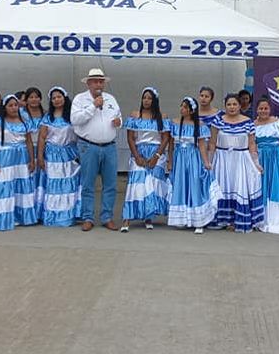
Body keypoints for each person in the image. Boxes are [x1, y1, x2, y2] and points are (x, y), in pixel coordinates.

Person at [71, 68, 122, 231]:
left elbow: (119, 116)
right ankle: (88, 217)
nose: (99, 84)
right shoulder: (80, 99)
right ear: (88, 83)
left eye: (101, 81)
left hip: (109, 146)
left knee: (111, 184)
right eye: (95, 81)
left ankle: (107, 217)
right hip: (88, 146)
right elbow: (75, 120)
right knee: (88, 184)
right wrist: (93, 106)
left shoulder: (111, 99)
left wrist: (118, 122)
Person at [210, 93, 263, 232]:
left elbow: (252, 144)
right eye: (229, 104)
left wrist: (256, 163)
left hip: (241, 160)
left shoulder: (248, 122)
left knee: (238, 188)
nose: (232, 107)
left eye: (234, 104)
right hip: (222, 160)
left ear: (240, 106)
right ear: (225, 106)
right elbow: (212, 142)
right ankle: (222, 219)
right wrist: (209, 162)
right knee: (222, 188)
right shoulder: (218, 121)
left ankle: (235, 220)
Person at [0, 94, 36, 231]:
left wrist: (32, 159)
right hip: (5, 158)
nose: (13, 108)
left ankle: (21, 216)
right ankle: (2, 217)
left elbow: (29, 142)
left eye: (15, 105)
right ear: (4, 107)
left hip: (21, 158)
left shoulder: (24, 121)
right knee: (3, 185)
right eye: (10, 105)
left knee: (20, 185)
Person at [166, 97, 220, 234]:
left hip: (193, 159)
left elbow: (202, 145)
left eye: (185, 107)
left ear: (191, 110)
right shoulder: (174, 123)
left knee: (195, 185)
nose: (182, 109)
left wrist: (206, 162)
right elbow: (171, 145)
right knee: (181, 186)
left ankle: (198, 220)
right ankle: (182, 218)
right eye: (181, 106)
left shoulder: (199, 125)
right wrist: (170, 161)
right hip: (179, 159)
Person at [121, 87, 171, 232]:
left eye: (149, 98)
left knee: (152, 184)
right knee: (136, 183)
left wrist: (157, 156)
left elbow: (165, 138)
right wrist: (137, 156)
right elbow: (130, 138)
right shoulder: (135, 115)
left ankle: (148, 216)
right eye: (144, 98)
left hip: (156, 153)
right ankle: (127, 217)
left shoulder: (162, 116)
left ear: (155, 100)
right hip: (139, 152)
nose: (146, 101)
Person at [40, 86, 82, 227]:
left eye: (59, 97)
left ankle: (68, 215)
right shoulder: (48, 118)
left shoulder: (72, 116)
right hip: (52, 156)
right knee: (54, 185)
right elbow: (42, 138)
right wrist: (40, 156)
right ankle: (53, 215)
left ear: (65, 98)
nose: (56, 100)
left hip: (70, 154)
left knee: (69, 184)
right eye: (54, 98)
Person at [254, 97, 279, 234]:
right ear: (256, 109)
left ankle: (276, 217)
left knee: (275, 184)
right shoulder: (253, 125)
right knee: (261, 185)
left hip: (276, 157)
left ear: (270, 109)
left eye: (266, 108)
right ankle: (261, 216)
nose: (263, 111)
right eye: (261, 108)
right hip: (260, 158)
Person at [22, 87, 46, 217]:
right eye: (31, 97)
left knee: (41, 180)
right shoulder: (21, 114)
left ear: (40, 99)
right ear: (26, 100)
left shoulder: (46, 114)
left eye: (36, 97)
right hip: (26, 149)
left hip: (43, 149)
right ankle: (28, 211)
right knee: (28, 178)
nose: (34, 99)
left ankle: (39, 211)